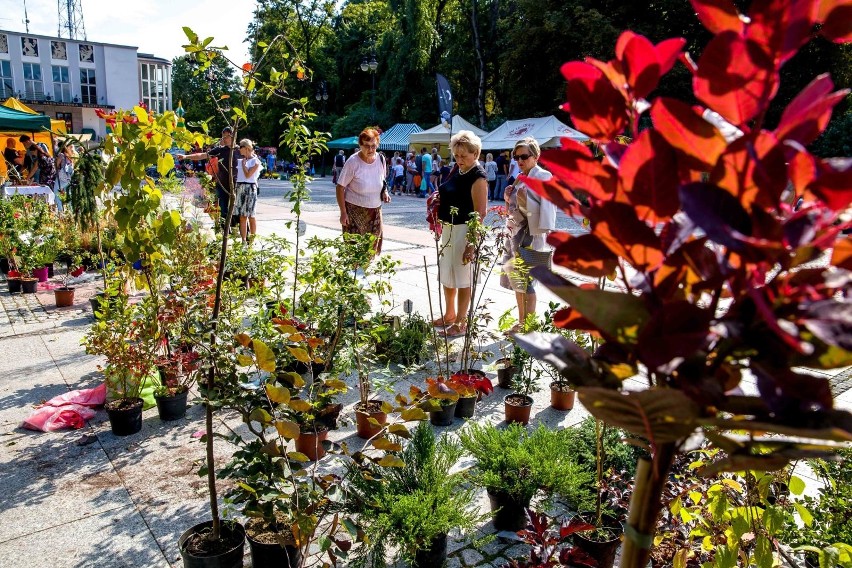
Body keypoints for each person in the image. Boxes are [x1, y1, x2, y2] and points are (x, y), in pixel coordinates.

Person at [432, 130, 488, 338]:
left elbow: (480, 213)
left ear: (476, 154)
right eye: (456, 155)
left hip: (465, 230)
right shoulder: (458, 170)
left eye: (464, 155)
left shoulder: (478, 177)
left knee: (464, 278)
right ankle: (449, 314)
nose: (459, 159)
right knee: (447, 274)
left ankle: (461, 322)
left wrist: (472, 243)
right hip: (448, 228)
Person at [500, 137, 557, 331]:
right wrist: (508, 197)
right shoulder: (519, 176)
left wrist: (542, 231)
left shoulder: (543, 176)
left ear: (536, 156)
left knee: (528, 281)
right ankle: (521, 321)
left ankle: (528, 324)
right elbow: (513, 208)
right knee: (517, 279)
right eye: (516, 157)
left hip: (532, 234)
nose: (519, 160)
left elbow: (549, 206)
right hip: (517, 233)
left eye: (524, 156)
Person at [336, 128, 391, 255]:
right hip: (354, 212)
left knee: (371, 250)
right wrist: (343, 212)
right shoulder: (353, 162)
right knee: (354, 253)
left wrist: (385, 192)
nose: (370, 149)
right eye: (366, 146)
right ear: (360, 145)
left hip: (375, 212)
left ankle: (367, 273)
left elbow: (382, 180)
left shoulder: (381, 159)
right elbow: (340, 187)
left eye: (373, 146)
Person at [178, 127, 239, 231]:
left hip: (238, 184)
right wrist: (185, 157)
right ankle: (225, 233)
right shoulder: (220, 150)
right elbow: (202, 155)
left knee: (238, 210)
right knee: (223, 210)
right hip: (222, 184)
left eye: (227, 136)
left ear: (233, 136)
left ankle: (242, 232)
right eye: (223, 136)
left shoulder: (240, 149)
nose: (224, 138)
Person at [235, 139, 262, 243]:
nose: (239, 149)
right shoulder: (241, 160)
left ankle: (251, 240)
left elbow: (248, 175)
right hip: (240, 186)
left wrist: (244, 165)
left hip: (250, 188)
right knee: (242, 216)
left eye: (240, 147)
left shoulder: (255, 161)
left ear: (246, 148)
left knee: (251, 215)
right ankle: (243, 240)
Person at [54, 141, 76, 212]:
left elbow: (56, 165)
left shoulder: (61, 155)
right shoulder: (69, 155)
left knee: (56, 193)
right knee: (68, 193)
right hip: (69, 177)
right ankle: (71, 210)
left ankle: (60, 210)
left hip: (61, 177)